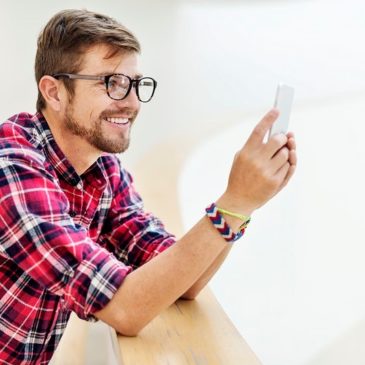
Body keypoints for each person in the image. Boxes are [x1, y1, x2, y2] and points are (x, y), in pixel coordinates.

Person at [0, 9, 297, 364]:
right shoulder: (12, 168)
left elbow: (184, 282)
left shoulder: (104, 170)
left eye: (136, 83)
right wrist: (233, 200)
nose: (132, 102)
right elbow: (125, 310)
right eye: (111, 82)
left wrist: (243, 205)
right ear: (54, 91)